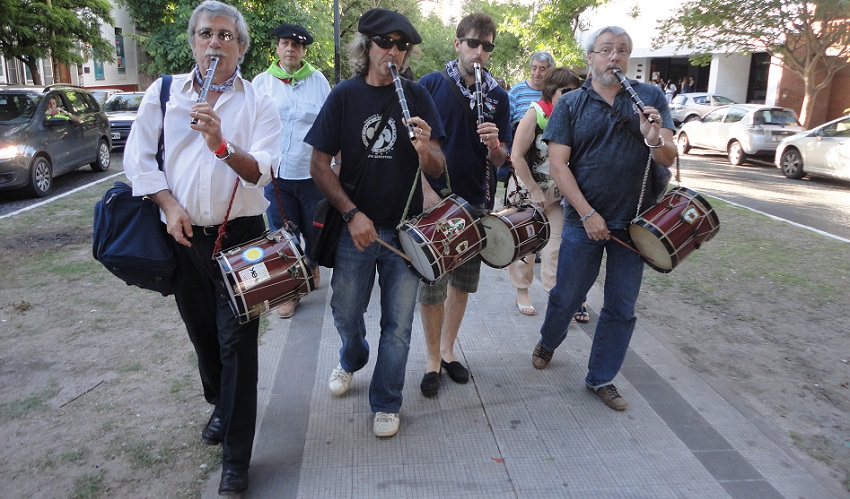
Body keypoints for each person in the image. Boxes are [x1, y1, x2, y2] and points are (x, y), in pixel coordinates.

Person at [123, 1, 282, 494]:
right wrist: (169, 206)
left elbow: (262, 170)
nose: (216, 43)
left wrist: (220, 142)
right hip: (184, 233)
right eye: (207, 34)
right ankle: (221, 403)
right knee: (202, 334)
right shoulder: (165, 91)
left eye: (226, 36)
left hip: (244, 236)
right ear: (194, 41)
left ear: (240, 47)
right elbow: (138, 158)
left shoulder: (258, 102)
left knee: (240, 345)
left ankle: (236, 458)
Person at [305, 8, 445, 438]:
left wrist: (424, 150)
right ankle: (352, 355)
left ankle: (386, 401)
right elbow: (319, 164)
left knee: (398, 325)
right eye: (386, 42)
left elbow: (438, 168)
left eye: (403, 46)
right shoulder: (344, 96)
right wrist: (351, 213)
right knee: (345, 311)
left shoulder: (418, 96)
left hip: (405, 230)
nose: (395, 52)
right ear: (366, 46)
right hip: (356, 230)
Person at [530, 26, 676, 412]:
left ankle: (602, 378)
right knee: (566, 298)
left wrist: (654, 136)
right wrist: (588, 213)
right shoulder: (572, 104)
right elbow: (559, 166)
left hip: (636, 224)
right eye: (606, 50)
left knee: (621, 307)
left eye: (623, 51)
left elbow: (668, 157)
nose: (615, 57)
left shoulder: (651, 98)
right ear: (590, 58)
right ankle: (549, 339)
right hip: (584, 221)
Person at [416, 13, 511, 397]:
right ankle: (431, 360)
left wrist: (495, 145)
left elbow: (504, 159)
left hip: (475, 200)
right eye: (473, 43)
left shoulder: (499, 96)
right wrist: (425, 190)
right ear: (458, 44)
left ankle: (448, 349)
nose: (479, 51)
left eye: (487, 45)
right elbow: (413, 149)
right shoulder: (429, 86)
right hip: (435, 203)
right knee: (432, 284)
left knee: (463, 284)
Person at [252, 23, 330, 319]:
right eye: (285, 44)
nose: (290, 49)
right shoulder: (261, 83)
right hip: (276, 174)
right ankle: (290, 291)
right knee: (282, 236)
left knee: (313, 233)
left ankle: (311, 264)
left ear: (303, 50)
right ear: (277, 48)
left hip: (309, 172)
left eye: (296, 45)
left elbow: (328, 123)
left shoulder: (318, 81)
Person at [508, 67, 587, 320]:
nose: (571, 95)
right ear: (552, 92)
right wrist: (533, 190)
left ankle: (556, 299)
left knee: (557, 247)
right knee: (527, 245)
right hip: (528, 190)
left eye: (575, 91)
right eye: (566, 91)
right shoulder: (536, 113)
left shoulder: (575, 117)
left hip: (558, 193)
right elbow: (516, 156)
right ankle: (522, 291)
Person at [508, 51, 555, 129]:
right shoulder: (517, 90)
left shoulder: (553, 92)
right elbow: (506, 120)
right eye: (534, 68)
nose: (537, 73)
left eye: (542, 69)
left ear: (550, 71)